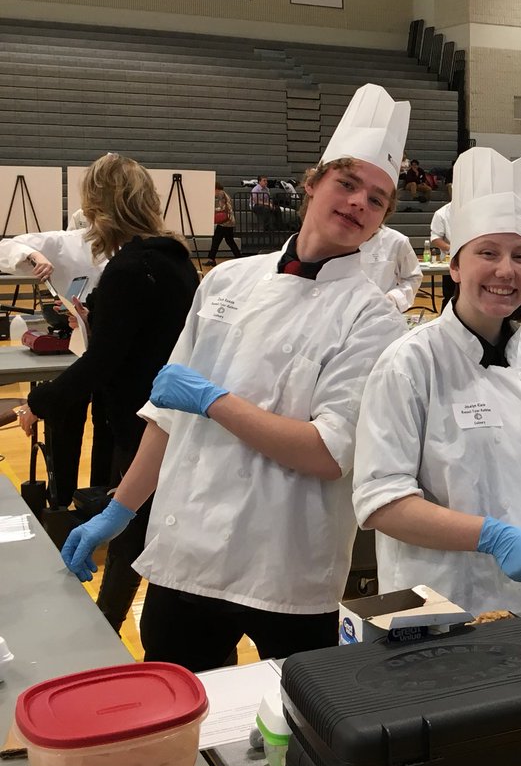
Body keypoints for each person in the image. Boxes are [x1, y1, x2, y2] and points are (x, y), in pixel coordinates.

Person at [59, 84, 408, 671]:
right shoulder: (226, 281)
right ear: (313, 183)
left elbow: (327, 451)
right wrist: (118, 512)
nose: (357, 204)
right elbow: (169, 415)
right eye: (347, 184)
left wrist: (215, 401)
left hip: (288, 565)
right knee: (180, 723)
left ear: (380, 223)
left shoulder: (373, 317)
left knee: (302, 735)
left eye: (376, 199)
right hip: (189, 551)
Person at [353, 148, 521, 615]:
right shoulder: (409, 364)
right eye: (488, 252)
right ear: (456, 267)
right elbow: (381, 502)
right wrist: (490, 536)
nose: (507, 270)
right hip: (438, 606)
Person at [19, 154, 199, 631]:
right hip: (168, 415)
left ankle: (107, 624)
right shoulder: (175, 259)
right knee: (137, 525)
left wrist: (37, 403)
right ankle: (111, 620)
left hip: (142, 417)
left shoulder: (130, 268)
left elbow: (103, 362)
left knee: (130, 525)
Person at [0, 223, 110, 505]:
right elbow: (5, 248)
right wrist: (34, 257)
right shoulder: (65, 241)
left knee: (109, 429)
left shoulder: (129, 245)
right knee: (64, 426)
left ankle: (97, 502)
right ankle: (60, 503)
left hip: (111, 351)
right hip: (75, 351)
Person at [359, 225, 423, 312]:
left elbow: (413, 278)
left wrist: (393, 298)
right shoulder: (337, 238)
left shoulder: (396, 240)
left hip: (383, 311)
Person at [206, 182, 242, 266]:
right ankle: (239, 257)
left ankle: (211, 259)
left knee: (216, 239)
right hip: (229, 221)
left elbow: (223, 208)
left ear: (216, 188)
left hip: (225, 222)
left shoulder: (220, 194)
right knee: (229, 240)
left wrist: (213, 209)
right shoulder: (225, 194)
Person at [429, 193, 455, 306]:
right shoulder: (441, 214)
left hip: (472, 261)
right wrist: (452, 249)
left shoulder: (473, 212)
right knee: (450, 296)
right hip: (450, 261)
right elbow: (435, 238)